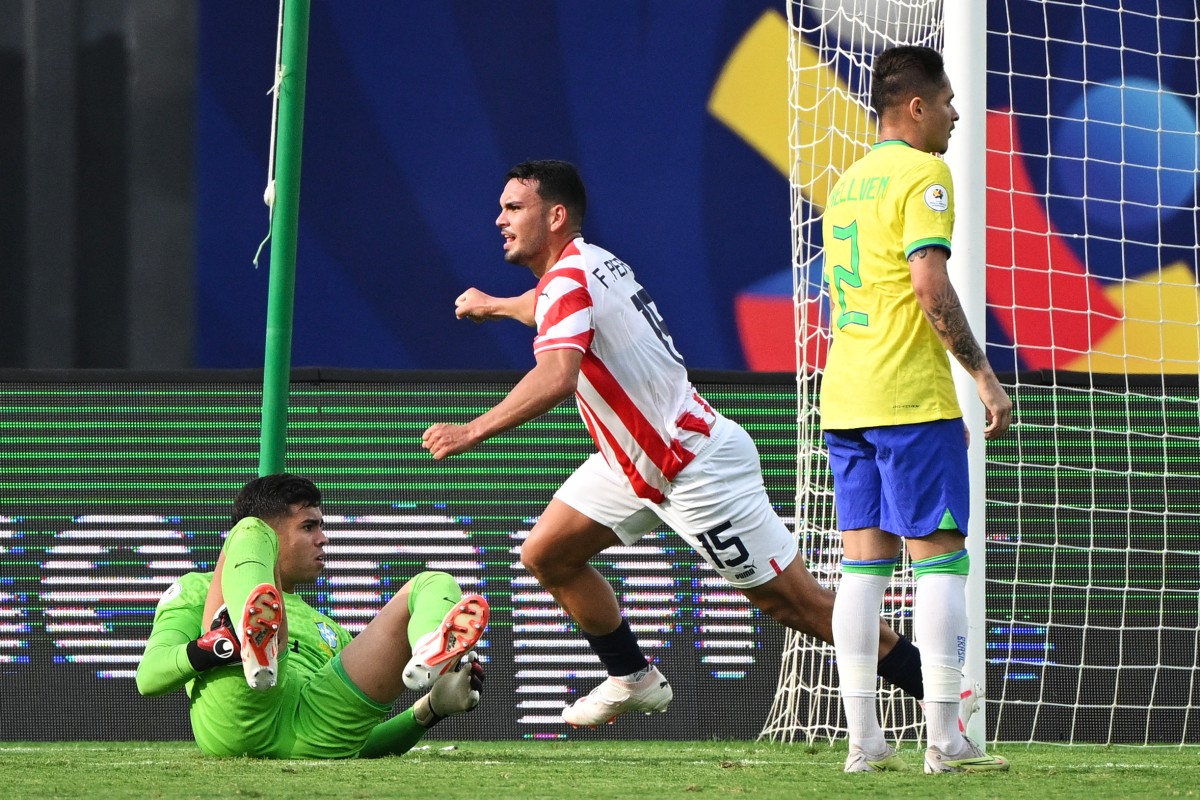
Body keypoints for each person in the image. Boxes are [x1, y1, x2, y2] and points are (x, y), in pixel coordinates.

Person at [422, 158, 940, 730]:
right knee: (547, 554)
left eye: (514, 207)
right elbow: (547, 306)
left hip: (692, 464)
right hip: (633, 461)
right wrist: (494, 305)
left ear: (557, 215)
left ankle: (948, 697)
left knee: (799, 605)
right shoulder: (586, 266)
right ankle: (632, 677)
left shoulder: (569, 281)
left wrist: (471, 430)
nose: (500, 219)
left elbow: (558, 374)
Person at [819, 45, 1012, 774]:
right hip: (906, 395)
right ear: (918, 106)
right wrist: (984, 377)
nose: (959, 114)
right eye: (951, 100)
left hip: (846, 397)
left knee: (862, 570)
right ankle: (943, 737)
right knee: (940, 566)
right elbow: (929, 287)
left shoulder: (849, 182)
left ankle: (863, 740)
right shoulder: (925, 174)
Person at [136, 473, 490, 759]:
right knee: (246, 530)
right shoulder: (199, 588)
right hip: (242, 713)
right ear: (272, 537)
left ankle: (428, 645)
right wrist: (215, 648)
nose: (323, 539)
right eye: (309, 527)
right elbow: (149, 676)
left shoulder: (332, 630)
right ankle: (249, 638)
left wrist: (430, 710)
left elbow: (357, 747)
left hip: (315, 738)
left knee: (434, 581)